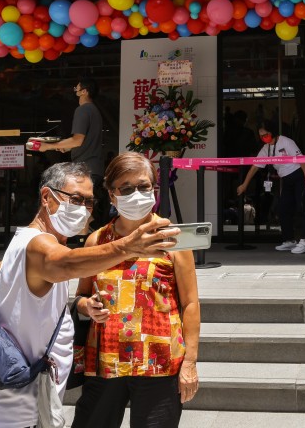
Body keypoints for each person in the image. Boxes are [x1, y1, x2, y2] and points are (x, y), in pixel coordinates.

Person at [0, 162, 178, 428]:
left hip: (17, 405)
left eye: (89, 202)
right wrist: (128, 247)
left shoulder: (24, 241)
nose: (84, 209)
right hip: (14, 415)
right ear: (46, 197)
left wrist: (1, 332)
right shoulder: (39, 244)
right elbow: (66, 264)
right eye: (76, 199)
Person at [72, 153, 200, 428]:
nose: (137, 195)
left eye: (143, 186)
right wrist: (87, 306)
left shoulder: (174, 240)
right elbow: (81, 295)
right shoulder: (97, 240)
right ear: (112, 195)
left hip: (159, 362)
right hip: (106, 360)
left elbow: (190, 303)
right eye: (126, 188)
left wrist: (189, 362)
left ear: (154, 189)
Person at [39, 76, 109, 228]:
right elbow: (83, 141)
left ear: (84, 91)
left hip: (85, 168)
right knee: (86, 210)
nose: (75, 91)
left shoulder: (83, 110)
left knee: (79, 210)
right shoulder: (95, 111)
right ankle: (91, 236)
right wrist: (67, 147)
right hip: (94, 167)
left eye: (76, 88)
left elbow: (77, 140)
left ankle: (87, 237)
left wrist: (47, 146)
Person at [236, 122, 305, 253]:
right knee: (283, 209)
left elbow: (300, 159)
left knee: (303, 207)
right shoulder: (266, 148)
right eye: (261, 136)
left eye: (265, 134)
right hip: (286, 180)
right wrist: (244, 184)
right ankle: (289, 240)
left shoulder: (286, 141)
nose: (263, 138)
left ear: (272, 132)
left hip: (298, 176)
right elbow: (255, 166)